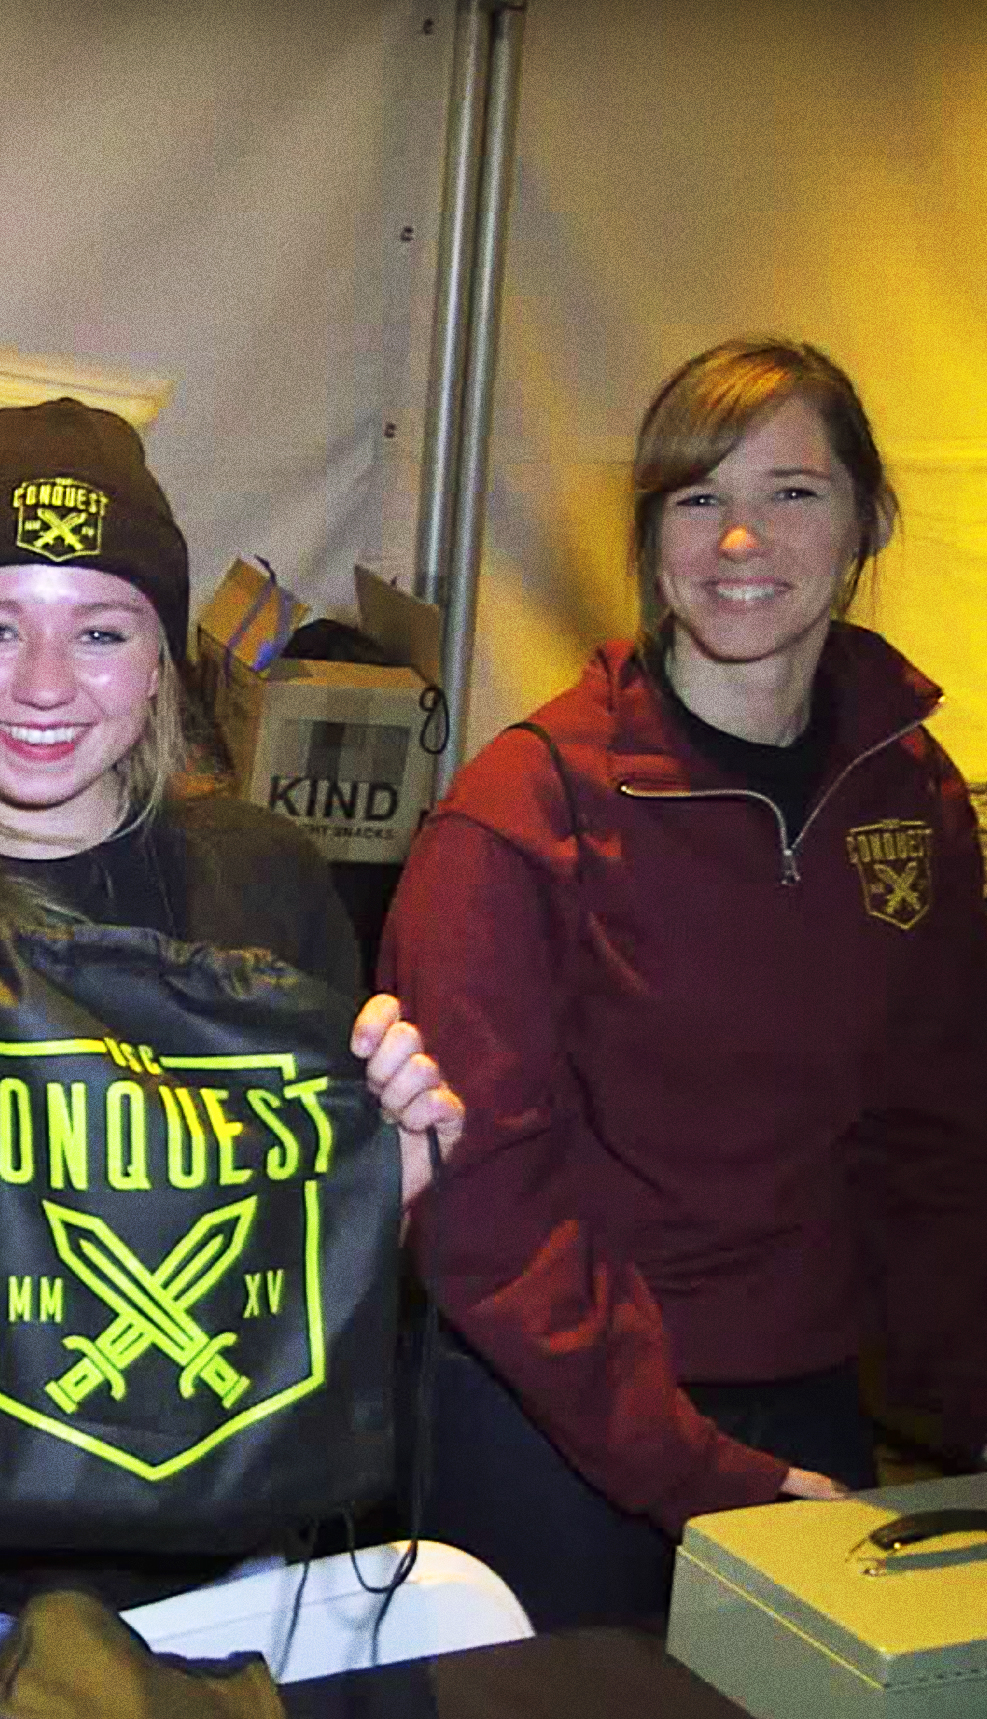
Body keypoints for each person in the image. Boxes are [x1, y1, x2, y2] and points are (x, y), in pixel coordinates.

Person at [0, 398, 465, 1715]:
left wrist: (390, 1196)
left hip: (217, 1570)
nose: (44, 684)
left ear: (161, 664)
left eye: (100, 630)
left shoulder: (265, 885)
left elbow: (301, 1290)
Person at [378, 336, 987, 1632]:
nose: (740, 542)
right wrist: (704, 1475)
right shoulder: (526, 811)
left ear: (869, 517)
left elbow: (933, 1143)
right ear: (649, 537)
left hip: (805, 1388)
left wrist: (969, 1402)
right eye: (697, 498)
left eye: (793, 492)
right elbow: (485, 1216)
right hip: (553, 1421)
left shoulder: (913, 794)